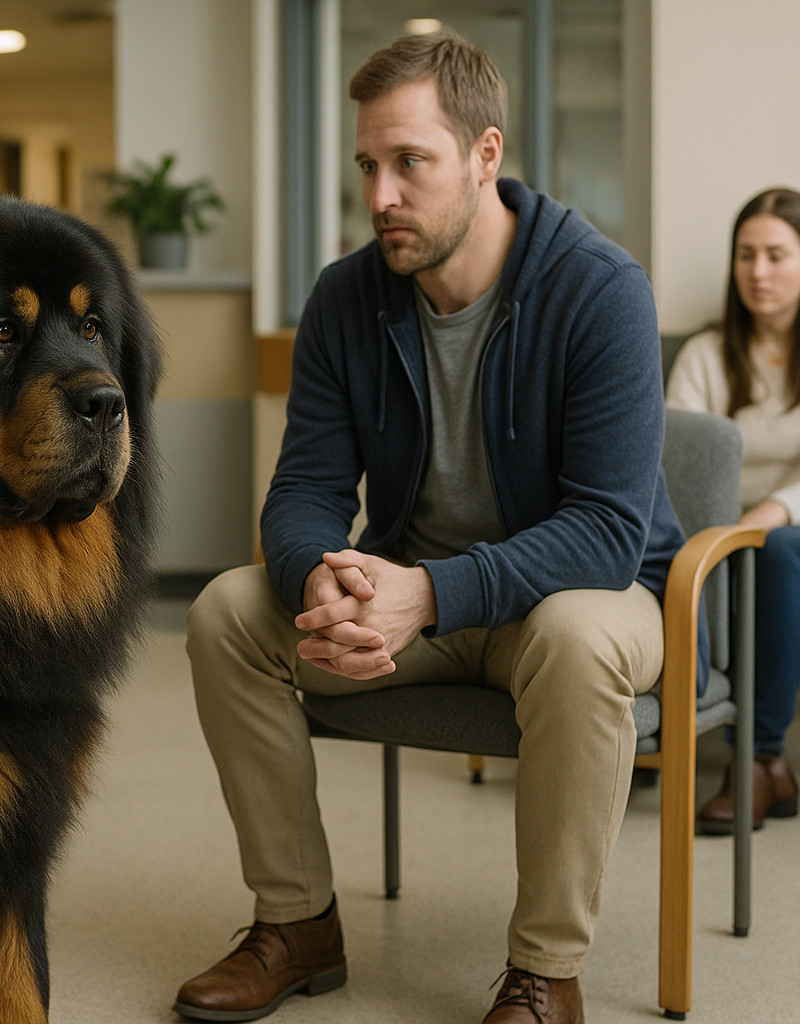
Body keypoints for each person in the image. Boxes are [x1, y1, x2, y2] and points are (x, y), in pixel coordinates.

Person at [176, 30, 682, 1024]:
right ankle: (297, 921)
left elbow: (608, 532)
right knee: (229, 609)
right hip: (418, 602)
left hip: (581, 601)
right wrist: (312, 574)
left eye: (411, 162)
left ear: (486, 156)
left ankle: (544, 973)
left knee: (580, 638)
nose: (380, 196)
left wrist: (431, 591)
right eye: (368, 164)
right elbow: (306, 488)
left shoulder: (601, 289)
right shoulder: (345, 298)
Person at [666, 187, 800, 835]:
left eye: (777, 255)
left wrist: (772, 512)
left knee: (775, 553)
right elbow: (683, 463)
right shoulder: (705, 355)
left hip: (786, 538)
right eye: (746, 255)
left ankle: (759, 758)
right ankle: (662, 727)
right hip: (716, 534)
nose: (759, 272)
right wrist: (728, 531)